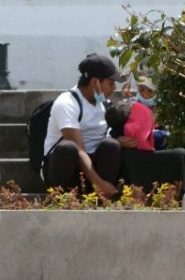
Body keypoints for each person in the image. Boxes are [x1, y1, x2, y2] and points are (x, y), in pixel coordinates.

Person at [41, 53, 123, 199]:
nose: (114, 88)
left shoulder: (103, 103)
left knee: (112, 145)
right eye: (110, 83)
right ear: (95, 82)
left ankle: (101, 198)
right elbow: (79, 150)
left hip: (91, 170)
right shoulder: (66, 103)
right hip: (64, 168)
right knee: (68, 148)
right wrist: (99, 183)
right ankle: (59, 198)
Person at [112, 75, 185, 193]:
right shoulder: (128, 108)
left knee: (181, 154)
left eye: (151, 91)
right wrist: (119, 140)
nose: (146, 95)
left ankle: (175, 194)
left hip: (163, 157)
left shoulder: (170, 110)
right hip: (138, 159)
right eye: (141, 90)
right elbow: (112, 133)